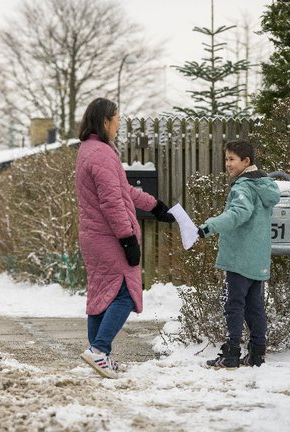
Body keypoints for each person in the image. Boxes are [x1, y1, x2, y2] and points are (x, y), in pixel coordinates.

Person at [74, 97, 175, 379]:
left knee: (100, 296)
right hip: (108, 236)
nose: (119, 123)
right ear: (105, 120)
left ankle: (98, 355)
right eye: (117, 118)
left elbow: (123, 191)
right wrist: (127, 238)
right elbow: (111, 203)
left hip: (93, 236)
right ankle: (99, 350)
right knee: (125, 295)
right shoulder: (102, 153)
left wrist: (155, 206)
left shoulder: (89, 150)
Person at [196, 139, 280, 368]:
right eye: (226, 159)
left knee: (233, 304)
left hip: (240, 258)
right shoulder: (264, 185)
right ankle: (257, 353)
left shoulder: (243, 187)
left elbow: (238, 214)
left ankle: (231, 353)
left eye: (232, 159)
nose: (228, 164)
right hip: (258, 258)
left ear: (246, 161)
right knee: (254, 306)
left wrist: (209, 226)